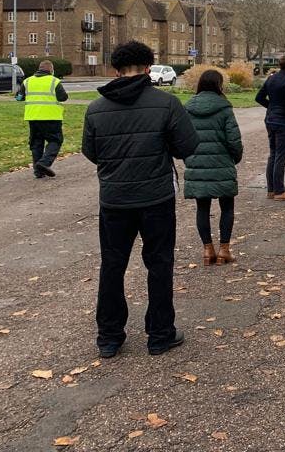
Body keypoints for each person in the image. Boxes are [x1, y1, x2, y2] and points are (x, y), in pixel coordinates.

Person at [82, 40, 199, 358]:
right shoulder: (166, 104)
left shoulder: (95, 109)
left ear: (115, 70)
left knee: (112, 265)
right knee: (159, 264)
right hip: (156, 198)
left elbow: (91, 152)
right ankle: (160, 334)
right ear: (149, 69)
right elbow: (186, 146)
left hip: (115, 199)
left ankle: (109, 336)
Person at [184, 70, 243, 266]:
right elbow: (234, 140)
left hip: (197, 163)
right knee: (227, 207)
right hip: (222, 163)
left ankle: (207, 250)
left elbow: (182, 139)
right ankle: (224, 250)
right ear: (219, 85)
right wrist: (234, 158)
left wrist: (190, 159)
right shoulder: (224, 108)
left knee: (202, 208)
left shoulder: (188, 108)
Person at [255, 53, 285, 201]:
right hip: (284, 121)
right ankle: (280, 191)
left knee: (273, 154)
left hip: (271, 119)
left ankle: (272, 189)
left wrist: (272, 107)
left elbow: (259, 97)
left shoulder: (271, 78)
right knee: (281, 156)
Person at [16, 59, 69, 178]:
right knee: (55, 140)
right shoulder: (54, 81)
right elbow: (63, 97)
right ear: (51, 70)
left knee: (36, 143)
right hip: (51, 117)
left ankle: (38, 171)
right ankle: (44, 163)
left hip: (33, 117)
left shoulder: (27, 81)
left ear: (39, 69)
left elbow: (19, 97)